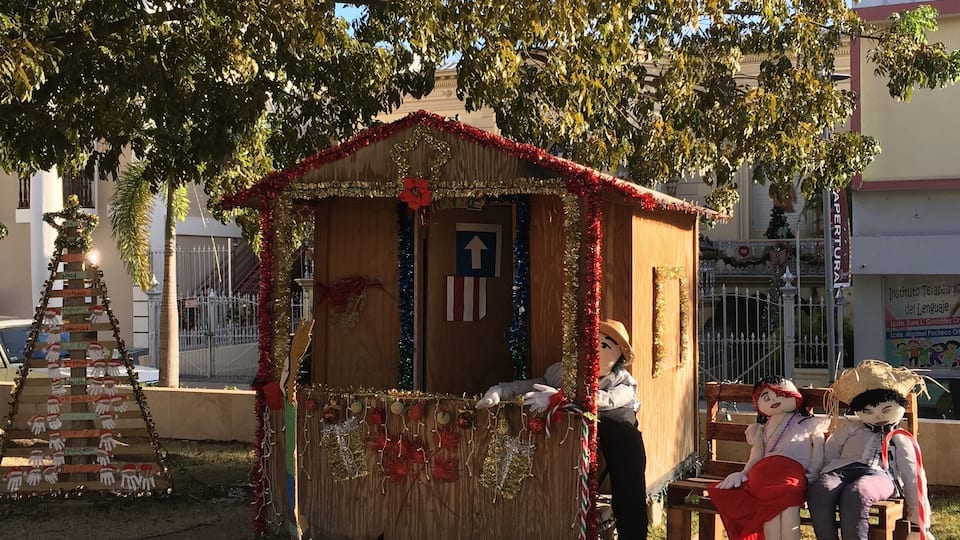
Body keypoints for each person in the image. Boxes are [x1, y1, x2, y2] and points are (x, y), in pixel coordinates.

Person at [476, 319, 648, 539]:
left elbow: (606, 400)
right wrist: (501, 390)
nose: (596, 349)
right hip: (567, 448)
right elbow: (533, 384)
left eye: (605, 345)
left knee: (628, 463)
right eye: (592, 341)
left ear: (618, 358)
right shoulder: (561, 373)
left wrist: (560, 397)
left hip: (617, 439)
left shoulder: (623, 384)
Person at [807, 360, 934, 540]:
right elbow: (830, 452)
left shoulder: (900, 437)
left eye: (886, 409)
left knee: (858, 492)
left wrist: (919, 522)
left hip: (880, 474)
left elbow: (913, 475)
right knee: (821, 489)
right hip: (841, 470)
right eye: (868, 412)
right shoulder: (851, 429)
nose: (878, 416)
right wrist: (821, 473)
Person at [708, 376, 829, 540]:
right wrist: (744, 472)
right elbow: (757, 454)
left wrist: (814, 470)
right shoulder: (761, 429)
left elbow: (819, 449)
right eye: (766, 398)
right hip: (763, 472)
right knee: (768, 503)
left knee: (789, 494)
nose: (773, 400)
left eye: (780, 394)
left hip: (792, 473)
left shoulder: (808, 423)